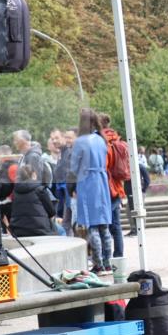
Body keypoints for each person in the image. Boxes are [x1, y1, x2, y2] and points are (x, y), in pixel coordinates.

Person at [70, 108, 114, 273]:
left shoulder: (80, 141)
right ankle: (108, 262)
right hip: (102, 181)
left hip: (87, 182)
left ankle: (98, 264)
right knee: (104, 225)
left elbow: (73, 168)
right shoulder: (100, 139)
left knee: (92, 225)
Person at [98, 113, 128, 262]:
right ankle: (119, 255)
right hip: (117, 187)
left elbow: (103, 165)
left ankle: (107, 258)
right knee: (116, 225)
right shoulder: (116, 139)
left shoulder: (103, 142)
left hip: (107, 188)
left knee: (105, 225)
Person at [9, 165, 58, 236]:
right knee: (61, 230)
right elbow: (52, 212)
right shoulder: (40, 189)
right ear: (34, 174)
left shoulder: (15, 191)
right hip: (40, 230)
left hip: (18, 231)